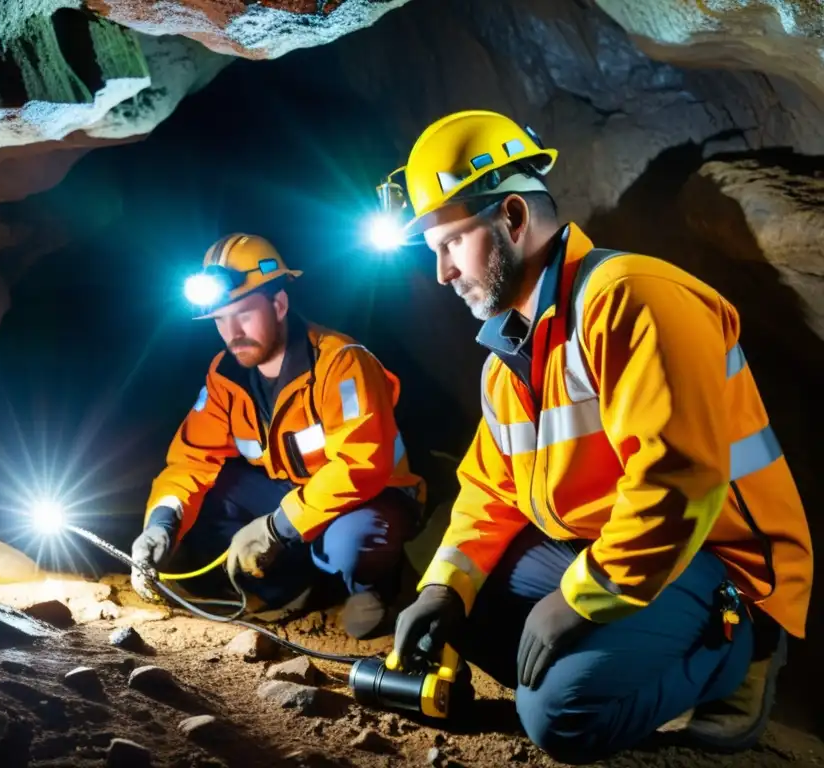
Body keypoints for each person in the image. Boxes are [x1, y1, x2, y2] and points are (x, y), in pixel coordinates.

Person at [382, 110, 813, 763]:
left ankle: (742, 650)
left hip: (719, 562)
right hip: (606, 552)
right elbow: (488, 491)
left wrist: (581, 600)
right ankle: (610, 645)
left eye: (449, 244)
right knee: (451, 602)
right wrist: (445, 586)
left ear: (513, 218)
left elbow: (679, 482)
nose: (442, 272)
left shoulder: (632, 298)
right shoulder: (510, 357)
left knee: (559, 718)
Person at [131, 233, 425, 639]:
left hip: (372, 496)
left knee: (351, 546)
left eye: (244, 315)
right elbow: (191, 460)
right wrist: (162, 524)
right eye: (220, 319)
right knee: (217, 496)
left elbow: (362, 465)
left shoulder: (340, 363)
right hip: (295, 494)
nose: (232, 331)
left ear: (279, 305)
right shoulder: (225, 377)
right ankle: (294, 588)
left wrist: (275, 528)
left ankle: (376, 588)